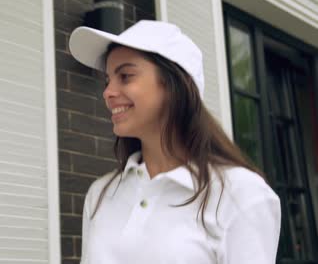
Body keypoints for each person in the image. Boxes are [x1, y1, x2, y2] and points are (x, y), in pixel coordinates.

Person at [68, 20, 281, 264]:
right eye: (108, 81)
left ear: (174, 85)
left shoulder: (241, 194)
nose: (108, 92)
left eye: (125, 76)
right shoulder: (100, 194)